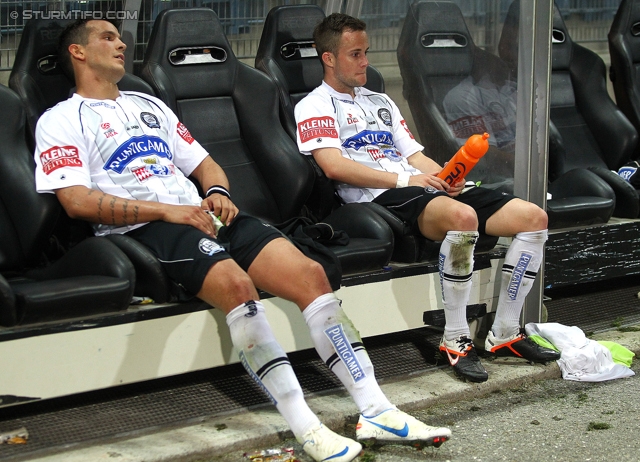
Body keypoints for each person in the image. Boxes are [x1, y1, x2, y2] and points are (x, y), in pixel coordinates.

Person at [33, 19, 452, 462]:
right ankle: (306, 426)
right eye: (107, 37)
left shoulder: (147, 104)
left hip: (204, 215)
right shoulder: (59, 120)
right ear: (78, 53)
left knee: (311, 274)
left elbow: (207, 166)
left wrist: (216, 192)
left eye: (120, 36)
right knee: (238, 287)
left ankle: (375, 408)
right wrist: (168, 211)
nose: (121, 43)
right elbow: (77, 201)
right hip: (145, 228)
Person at [294, 13, 561, 384]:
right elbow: (334, 166)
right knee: (462, 219)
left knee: (533, 219)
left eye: (366, 52)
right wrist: (409, 178)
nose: (366, 61)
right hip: (376, 199)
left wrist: (446, 177)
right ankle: (455, 339)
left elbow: (416, 155)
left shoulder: (380, 100)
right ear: (328, 58)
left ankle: (505, 333)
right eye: (355, 54)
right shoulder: (314, 105)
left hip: (418, 188)